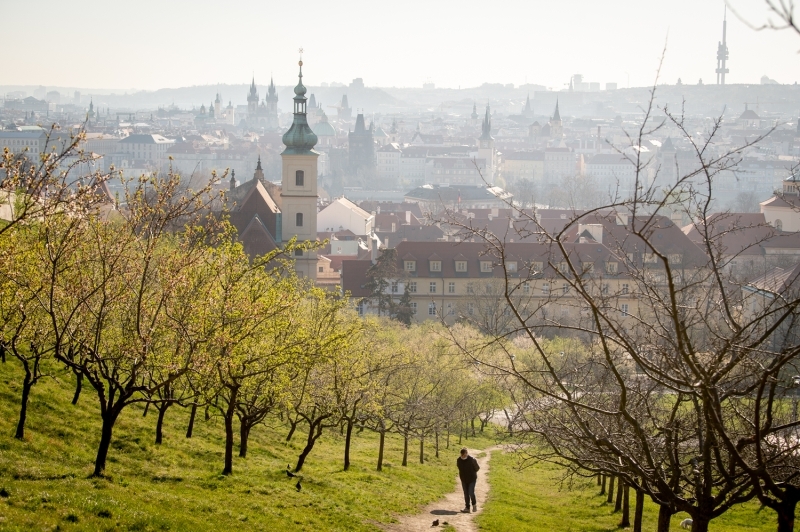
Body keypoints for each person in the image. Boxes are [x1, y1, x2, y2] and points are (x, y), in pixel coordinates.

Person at [456, 447, 479, 512]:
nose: (464, 456)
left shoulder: (472, 460)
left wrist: (472, 473)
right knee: (466, 493)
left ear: (467, 453)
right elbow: (459, 467)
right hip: (464, 479)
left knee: (471, 492)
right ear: (461, 454)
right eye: (462, 455)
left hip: (472, 479)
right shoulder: (459, 460)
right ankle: (467, 508)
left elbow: (477, 468)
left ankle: (474, 505)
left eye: (465, 454)